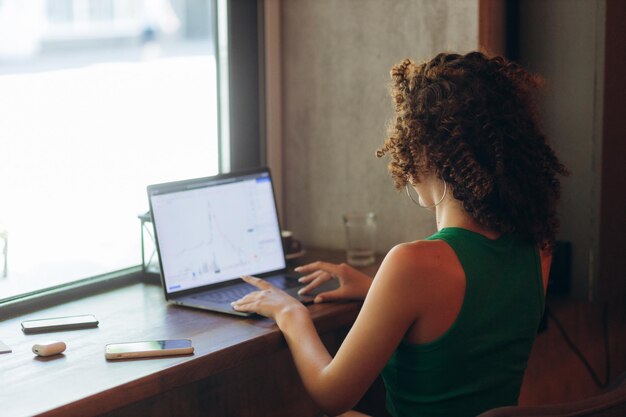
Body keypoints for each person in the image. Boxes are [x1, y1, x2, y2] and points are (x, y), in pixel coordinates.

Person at [232, 51, 568, 417]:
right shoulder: (538, 246)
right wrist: (375, 288)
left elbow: (332, 394)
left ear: (424, 153)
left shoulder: (413, 264)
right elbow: (475, 306)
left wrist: (289, 312)